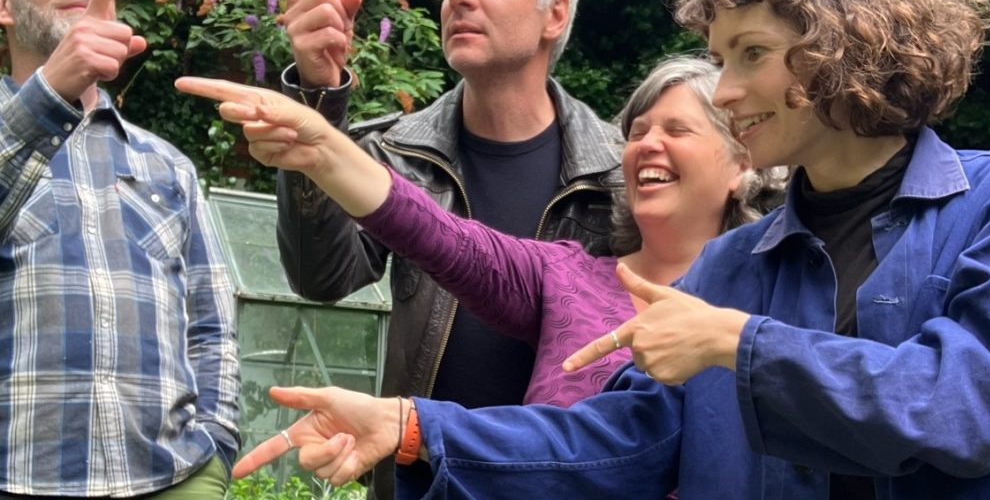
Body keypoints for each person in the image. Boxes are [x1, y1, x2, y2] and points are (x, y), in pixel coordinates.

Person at [227, 0, 990, 500]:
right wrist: (411, 425)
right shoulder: (730, 269)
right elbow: (619, 436)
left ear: (852, 43)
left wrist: (738, 343)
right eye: (719, 58)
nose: (728, 91)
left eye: (752, 55)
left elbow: (973, 401)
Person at [272, 0, 622, 500]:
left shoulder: (620, 172)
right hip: (423, 479)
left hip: (563, 484)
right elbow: (319, 278)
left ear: (555, 14)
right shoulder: (395, 155)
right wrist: (318, 100)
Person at [177, 56, 785, 405]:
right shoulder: (565, 274)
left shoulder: (780, 296)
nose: (647, 144)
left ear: (741, 164)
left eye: (676, 130)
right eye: (638, 130)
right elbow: (436, 233)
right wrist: (322, 148)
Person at [0, 0, 240, 498]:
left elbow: (211, 327)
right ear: (4, 6)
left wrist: (215, 451)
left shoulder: (167, 165)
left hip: (173, 479)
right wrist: (49, 94)